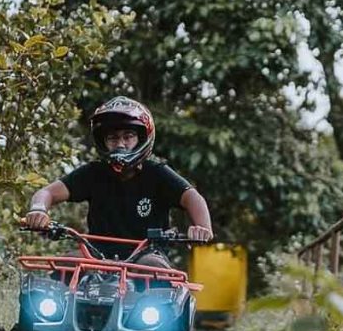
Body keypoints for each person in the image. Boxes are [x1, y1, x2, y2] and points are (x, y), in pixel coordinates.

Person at [25, 96, 213, 266]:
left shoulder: (157, 174)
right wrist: (38, 210)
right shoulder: (93, 173)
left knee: (151, 266)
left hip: (148, 255)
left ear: (141, 139)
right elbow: (47, 192)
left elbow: (192, 198)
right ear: (103, 142)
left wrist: (203, 229)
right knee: (66, 265)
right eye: (112, 138)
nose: (120, 144)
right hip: (97, 257)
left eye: (128, 136)